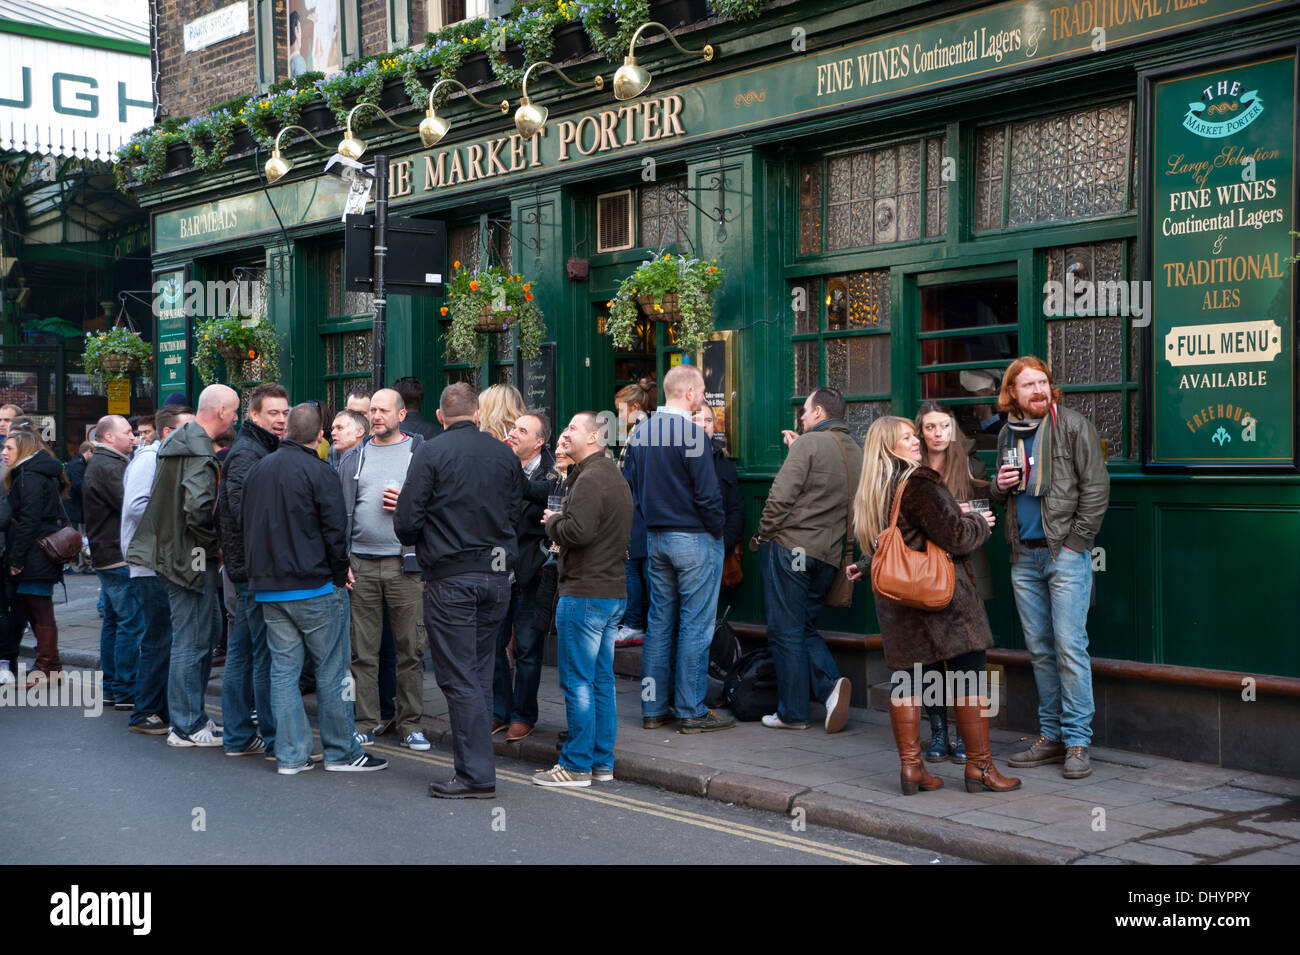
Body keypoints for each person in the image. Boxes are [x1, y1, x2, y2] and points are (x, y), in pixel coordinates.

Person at [846, 416, 1020, 795]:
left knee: (907, 678)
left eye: (914, 435)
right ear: (889, 445)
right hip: (941, 598)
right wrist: (978, 522)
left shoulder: (874, 486)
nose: (915, 442)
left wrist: (862, 565)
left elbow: (887, 543)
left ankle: (912, 769)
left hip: (896, 600)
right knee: (969, 673)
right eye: (907, 437)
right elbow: (956, 537)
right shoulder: (919, 482)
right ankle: (980, 769)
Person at [243, 403, 388, 775]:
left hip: (270, 589)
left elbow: (242, 524)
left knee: (283, 672)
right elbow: (334, 532)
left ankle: (290, 756)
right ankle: (341, 752)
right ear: (319, 437)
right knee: (333, 672)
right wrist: (341, 575)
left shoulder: (258, 469)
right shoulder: (320, 471)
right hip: (316, 586)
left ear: (286, 431)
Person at [395, 383, 521, 798]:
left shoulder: (430, 451)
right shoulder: (504, 454)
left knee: (459, 678)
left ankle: (476, 776)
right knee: (480, 673)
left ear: (439, 415)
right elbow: (515, 512)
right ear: (479, 415)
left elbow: (406, 523)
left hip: (451, 579)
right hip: (496, 578)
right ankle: (477, 767)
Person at [989, 356, 1110, 780]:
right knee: (1040, 650)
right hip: (1024, 555)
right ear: (1013, 394)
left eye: (1043, 383)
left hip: (1064, 553)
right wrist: (996, 486)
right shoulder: (1007, 432)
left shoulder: (1073, 426)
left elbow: (1096, 487)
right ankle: (1051, 736)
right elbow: (1000, 491)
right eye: (1029, 385)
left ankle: (1078, 742)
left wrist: (1076, 543)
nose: (1039, 390)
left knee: (1069, 648)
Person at [127, 383, 240, 748]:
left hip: (177, 554)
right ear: (221, 411)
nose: (236, 418)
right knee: (192, 641)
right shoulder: (196, 449)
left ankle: (193, 718)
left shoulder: (183, 442)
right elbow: (196, 509)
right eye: (235, 411)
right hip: (189, 557)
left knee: (201, 636)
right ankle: (187, 725)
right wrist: (213, 546)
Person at [622, 364, 732, 734]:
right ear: (688, 393)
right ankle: (690, 709)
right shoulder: (691, 434)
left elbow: (631, 487)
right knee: (696, 626)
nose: (702, 396)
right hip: (695, 538)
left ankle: (653, 708)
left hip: (655, 539)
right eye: (701, 391)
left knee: (659, 623)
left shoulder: (641, 433)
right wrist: (716, 533)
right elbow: (708, 495)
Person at [532, 412, 634, 788]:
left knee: (577, 683)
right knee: (600, 682)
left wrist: (553, 520)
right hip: (610, 593)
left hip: (585, 594)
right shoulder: (610, 475)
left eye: (572, 428)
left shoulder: (591, 479)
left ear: (593, 438)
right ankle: (601, 762)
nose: (564, 433)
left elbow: (577, 531)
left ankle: (575, 765)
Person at [753, 387, 858, 733]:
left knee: (784, 630)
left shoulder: (809, 444)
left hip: (794, 548)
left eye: (805, 410)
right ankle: (830, 689)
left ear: (819, 413)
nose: (801, 416)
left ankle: (794, 712)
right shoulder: (855, 450)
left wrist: (763, 534)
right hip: (829, 556)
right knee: (803, 627)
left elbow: (779, 497)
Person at [339, 387, 428, 750]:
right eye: (372, 410)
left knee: (411, 649)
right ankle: (365, 721)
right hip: (360, 562)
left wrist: (407, 506)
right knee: (363, 652)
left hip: (404, 565)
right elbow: (338, 515)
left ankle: (410, 725)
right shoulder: (353, 458)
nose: (376, 416)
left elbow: (436, 506)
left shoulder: (420, 455)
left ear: (402, 414)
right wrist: (341, 559)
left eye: (383, 411)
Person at [914, 399, 993, 764]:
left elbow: (986, 512)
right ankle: (938, 730)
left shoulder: (971, 464)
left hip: (964, 568)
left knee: (965, 652)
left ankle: (964, 733)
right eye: (930, 427)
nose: (938, 433)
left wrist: (965, 512)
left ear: (953, 429)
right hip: (923, 570)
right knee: (928, 655)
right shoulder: (911, 469)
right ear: (921, 430)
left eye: (944, 426)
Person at [216, 383, 290, 758]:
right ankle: (274, 740)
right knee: (262, 655)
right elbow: (248, 513)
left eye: (284, 413)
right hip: (252, 572)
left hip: (248, 569)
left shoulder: (260, 448)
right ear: (253, 416)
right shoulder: (248, 454)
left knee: (242, 652)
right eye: (272, 413)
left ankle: (238, 736)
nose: (280, 420)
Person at [120, 405, 193, 734]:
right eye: (187, 428)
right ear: (168, 432)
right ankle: (145, 712)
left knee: (163, 639)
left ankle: (157, 710)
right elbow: (136, 506)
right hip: (149, 564)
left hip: (161, 562)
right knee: (158, 639)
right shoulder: (150, 459)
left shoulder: (167, 459)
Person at [493, 409, 555, 740]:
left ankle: (523, 715)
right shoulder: (503, 466)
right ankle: (499, 711)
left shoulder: (553, 472)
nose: (513, 433)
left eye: (522, 430)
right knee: (494, 644)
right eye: (513, 428)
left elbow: (535, 493)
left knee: (528, 649)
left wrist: (504, 461)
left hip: (531, 572)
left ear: (539, 441)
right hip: (499, 568)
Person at [82, 415, 141, 709]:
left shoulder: (105, 463)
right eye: (128, 432)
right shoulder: (109, 466)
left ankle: (111, 685)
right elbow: (130, 506)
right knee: (131, 622)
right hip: (118, 555)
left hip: (107, 553)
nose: (133, 437)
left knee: (116, 622)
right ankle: (125, 687)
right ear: (108, 437)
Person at [3, 424, 69, 687]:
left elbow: (29, 521)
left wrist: (16, 559)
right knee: (36, 607)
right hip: (39, 550)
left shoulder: (29, 476)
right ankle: (50, 666)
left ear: (24, 449)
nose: (3, 452)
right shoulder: (34, 472)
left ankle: (47, 668)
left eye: (9, 447)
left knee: (40, 608)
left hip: (35, 553)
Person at [614, 381, 654, 647]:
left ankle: (635, 624)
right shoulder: (641, 432)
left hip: (638, 515)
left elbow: (630, 478)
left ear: (635, 408)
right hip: (640, 514)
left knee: (634, 571)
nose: (617, 417)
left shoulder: (640, 434)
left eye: (620, 410)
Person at [693, 403, 744, 599]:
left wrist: (723, 544)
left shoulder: (724, 462)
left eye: (708, 421)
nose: (704, 426)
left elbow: (736, 508)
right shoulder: (678, 459)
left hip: (718, 550)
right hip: (689, 551)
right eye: (697, 420)